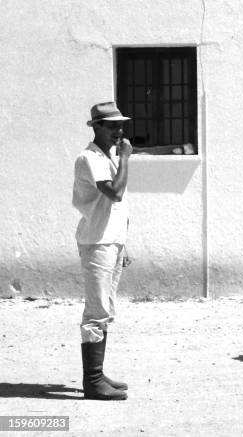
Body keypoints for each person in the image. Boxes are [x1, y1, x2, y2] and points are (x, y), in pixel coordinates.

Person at [72, 102, 133, 400]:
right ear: (96, 126)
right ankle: (92, 381)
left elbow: (118, 208)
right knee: (96, 312)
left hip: (111, 241)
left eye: (121, 125)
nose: (119, 131)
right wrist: (125, 158)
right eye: (112, 126)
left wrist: (124, 243)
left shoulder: (106, 157)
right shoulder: (90, 158)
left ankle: (98, 374)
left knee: (106, 310)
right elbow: (115, 192)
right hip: (96, 242)